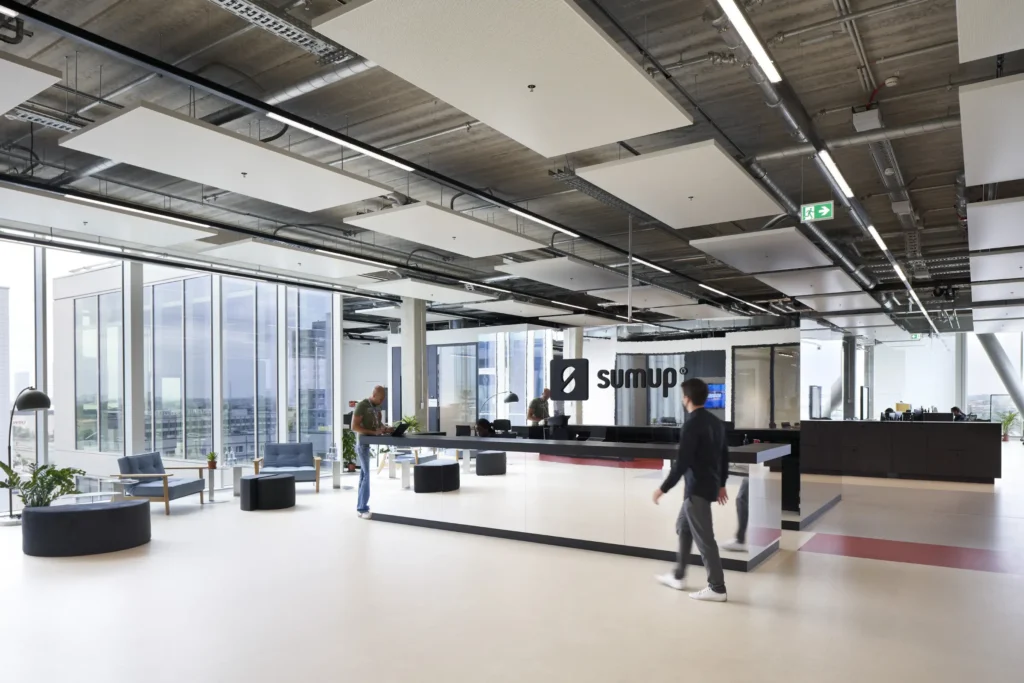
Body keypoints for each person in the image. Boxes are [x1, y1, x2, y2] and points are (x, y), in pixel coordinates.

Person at [652, 378, 730, 602]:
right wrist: (722, 483)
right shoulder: (716, 423)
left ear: (686, 398)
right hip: (708, 485)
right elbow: (724, 456)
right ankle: (678, 575)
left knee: (705, 539)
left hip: (697, 489)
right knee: (683, 527)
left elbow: (682, 462)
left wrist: (662, 488)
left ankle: (717, 587)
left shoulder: (691, 424)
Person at [351, 386, 391, 519]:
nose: (382, 402)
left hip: (369, 443)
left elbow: (378, 425)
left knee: (364, 474)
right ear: (374, 395)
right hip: (362, 444)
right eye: (380, 399)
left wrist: (385, 429)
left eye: (383, 399)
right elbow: (354, 426)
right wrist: (374, 433)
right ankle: (362, 508)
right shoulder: (361, 406)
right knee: (367, 474)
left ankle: (360, 507)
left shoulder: (377, 407)